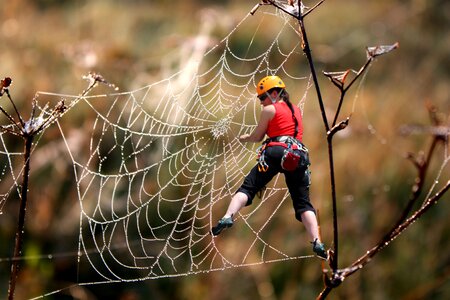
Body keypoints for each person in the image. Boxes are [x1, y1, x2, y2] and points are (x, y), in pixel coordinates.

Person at [211, 75, 327, 260]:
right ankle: (316, 241)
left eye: (262, 97)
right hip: (298, 156)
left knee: (248, 187)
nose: (261, 102)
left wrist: (245, 137)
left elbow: (258, 136)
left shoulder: (270, 109)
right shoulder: (296, 109)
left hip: (275, 153)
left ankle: (228, 216)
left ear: (274, 93)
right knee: (303, 203)